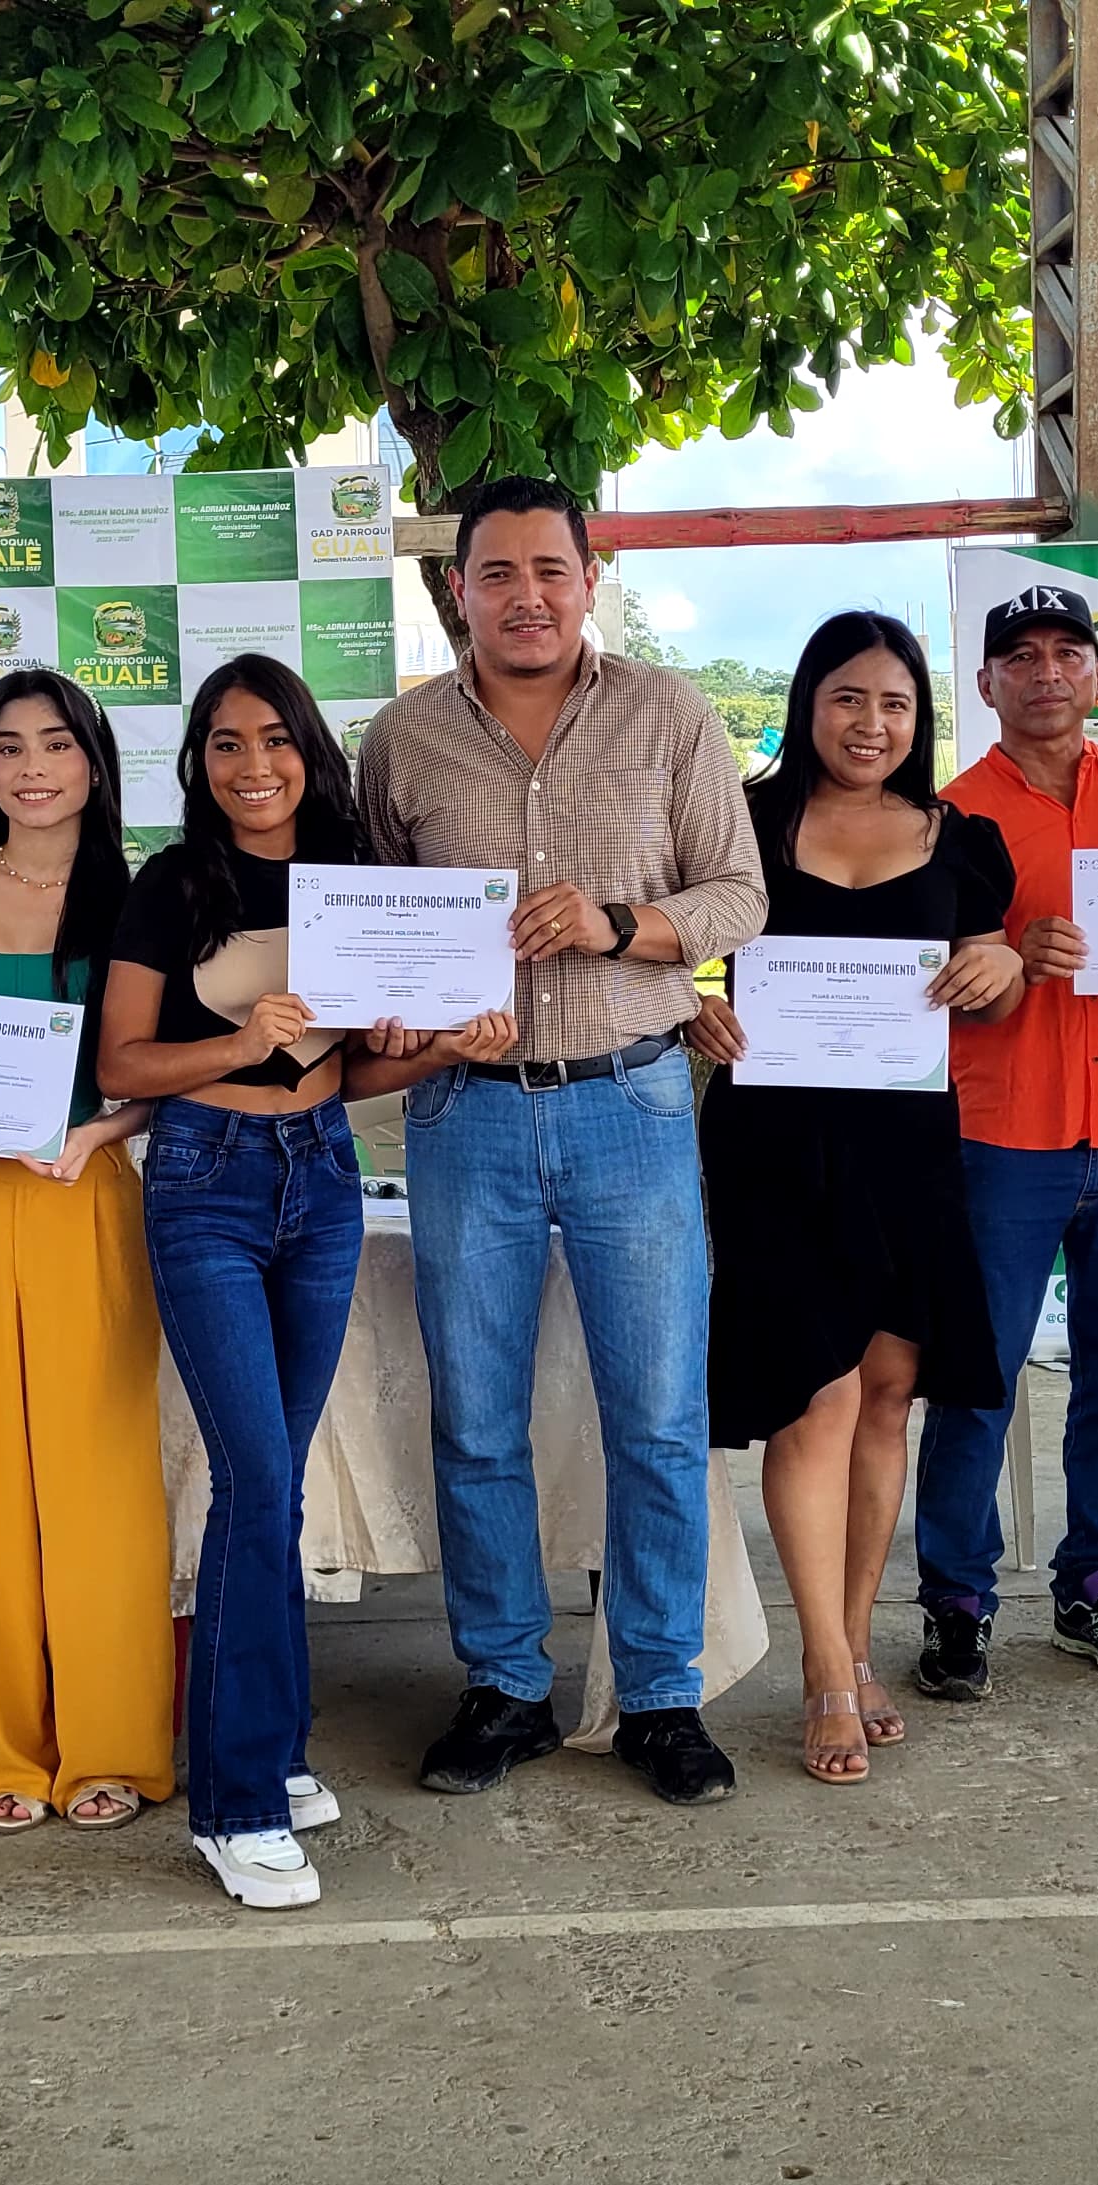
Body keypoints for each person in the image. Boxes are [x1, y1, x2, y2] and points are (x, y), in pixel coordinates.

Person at [355, 475, 767, 1808]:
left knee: (657, 1417)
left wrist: (616, 925)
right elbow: (373, 921)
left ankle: (660, 1692)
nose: (526, 596)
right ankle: (505, 1686)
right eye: (497, 573)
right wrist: (402, 1002)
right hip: (462, 1113)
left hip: (629, 1103)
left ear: (592, 580)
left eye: (551, 570)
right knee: (477, 1419)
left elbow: (739, 894)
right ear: (457, 589)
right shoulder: (404, 740)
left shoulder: (668, 714)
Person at [111, 654, 509, 1906]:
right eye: (227, 743)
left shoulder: (356, 881)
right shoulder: (171, 884)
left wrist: (439, 1043)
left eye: (275, 739)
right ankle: (231, 1805)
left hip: (323, 1178)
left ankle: (275, 1755)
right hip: (203, 1183)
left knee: (275, 1489)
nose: (254, 765)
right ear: (198, 761)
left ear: (310, 752)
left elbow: (353, 1070)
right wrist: (239, 1040)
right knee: (253, 1479)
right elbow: (122, 1061)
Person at [686, 611, 1022, 1783]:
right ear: (807, 705)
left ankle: (861, 1641)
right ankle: (826, 1669)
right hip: (774, 1143)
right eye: (847, 698)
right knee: (813, 1398)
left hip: (906, 1144)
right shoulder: (742, 820)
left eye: (894, 704)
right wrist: (691, 1004)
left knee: (885, 1398)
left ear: (920, 718)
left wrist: (1003, 965)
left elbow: (994, 979)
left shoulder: (963, 839)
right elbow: (673, 945)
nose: (870, 724)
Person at [908, 584, 1098, 1698]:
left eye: (1068, 652)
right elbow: (918, 989)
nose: (1045, 672)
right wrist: (1008, 958)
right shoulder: (944, 817)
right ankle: (956, 1598)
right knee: (975, 1379)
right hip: (1001, 1137)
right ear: (985, 682)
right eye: (1019, 656)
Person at [0, 669, 172, 1835]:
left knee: (97, 1474)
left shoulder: (146, 893)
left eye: (55, 744)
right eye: (7, 747)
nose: (31, 768)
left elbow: (166, 1071)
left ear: (94, 762)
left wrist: (99, 1133)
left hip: (86, 1194)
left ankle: (112, 1739)